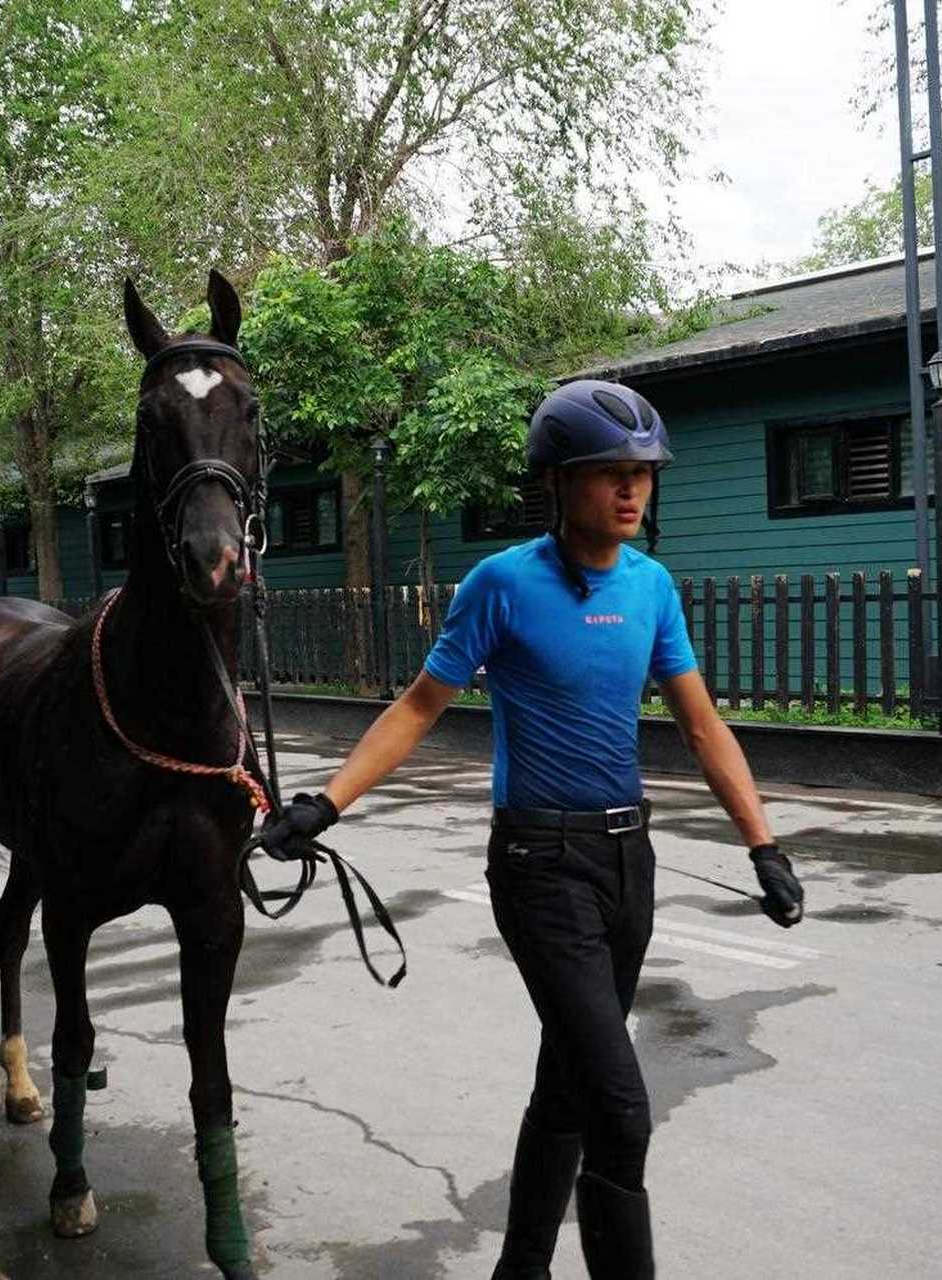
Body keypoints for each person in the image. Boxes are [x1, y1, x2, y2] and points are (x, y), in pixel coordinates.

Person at [259, 380, 804, 1279]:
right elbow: (419, 704)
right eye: (608, 475)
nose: (631, 492)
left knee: (568, 1084)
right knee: (620, 1110)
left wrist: (763, 845)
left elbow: (702, 725)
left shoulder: (651, 586)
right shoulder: (501, 584)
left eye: (643, 474)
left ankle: (520, 1267)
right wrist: (327, 802)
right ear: (556, 482)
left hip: (629, 863)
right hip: (536, 863)